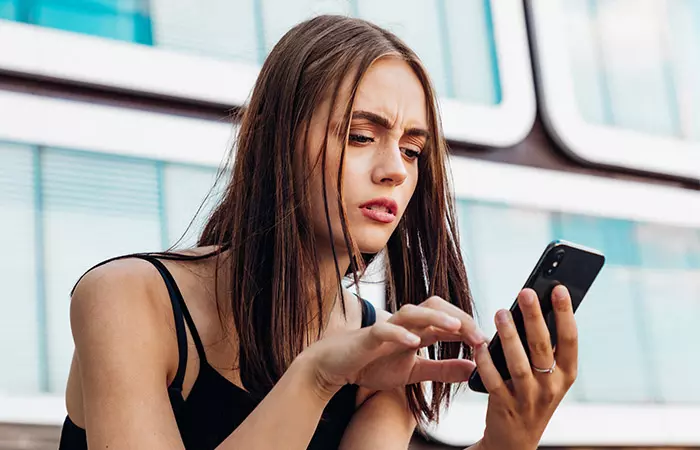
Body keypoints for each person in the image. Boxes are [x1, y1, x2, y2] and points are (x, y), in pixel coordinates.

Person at [59, 14, 578, 450]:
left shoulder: (385, 352)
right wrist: (315, 379)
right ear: (273, 137)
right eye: (359, 136)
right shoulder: (129, 298)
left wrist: (505, 442)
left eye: (412, 150)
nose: (395, 169)